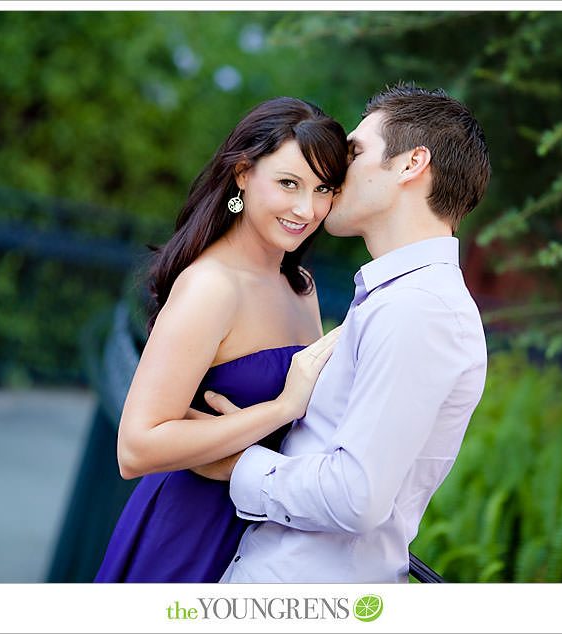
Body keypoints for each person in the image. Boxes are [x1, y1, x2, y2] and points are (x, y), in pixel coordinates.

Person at [197, 83, 492, 583]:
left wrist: (240, 464)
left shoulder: (419, 310)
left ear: (409, 164)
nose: (334, 168)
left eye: (354, 151)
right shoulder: (399, 298)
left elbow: (357, 495)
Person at [94, 96, 349, 582]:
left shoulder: (301, 287)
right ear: (242, 174)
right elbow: (136, 447)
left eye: (323, 189)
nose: (306, 208)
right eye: (289, 184)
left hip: (265, 531)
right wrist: (277, 410)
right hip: (189, 533)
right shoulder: (212, 286)